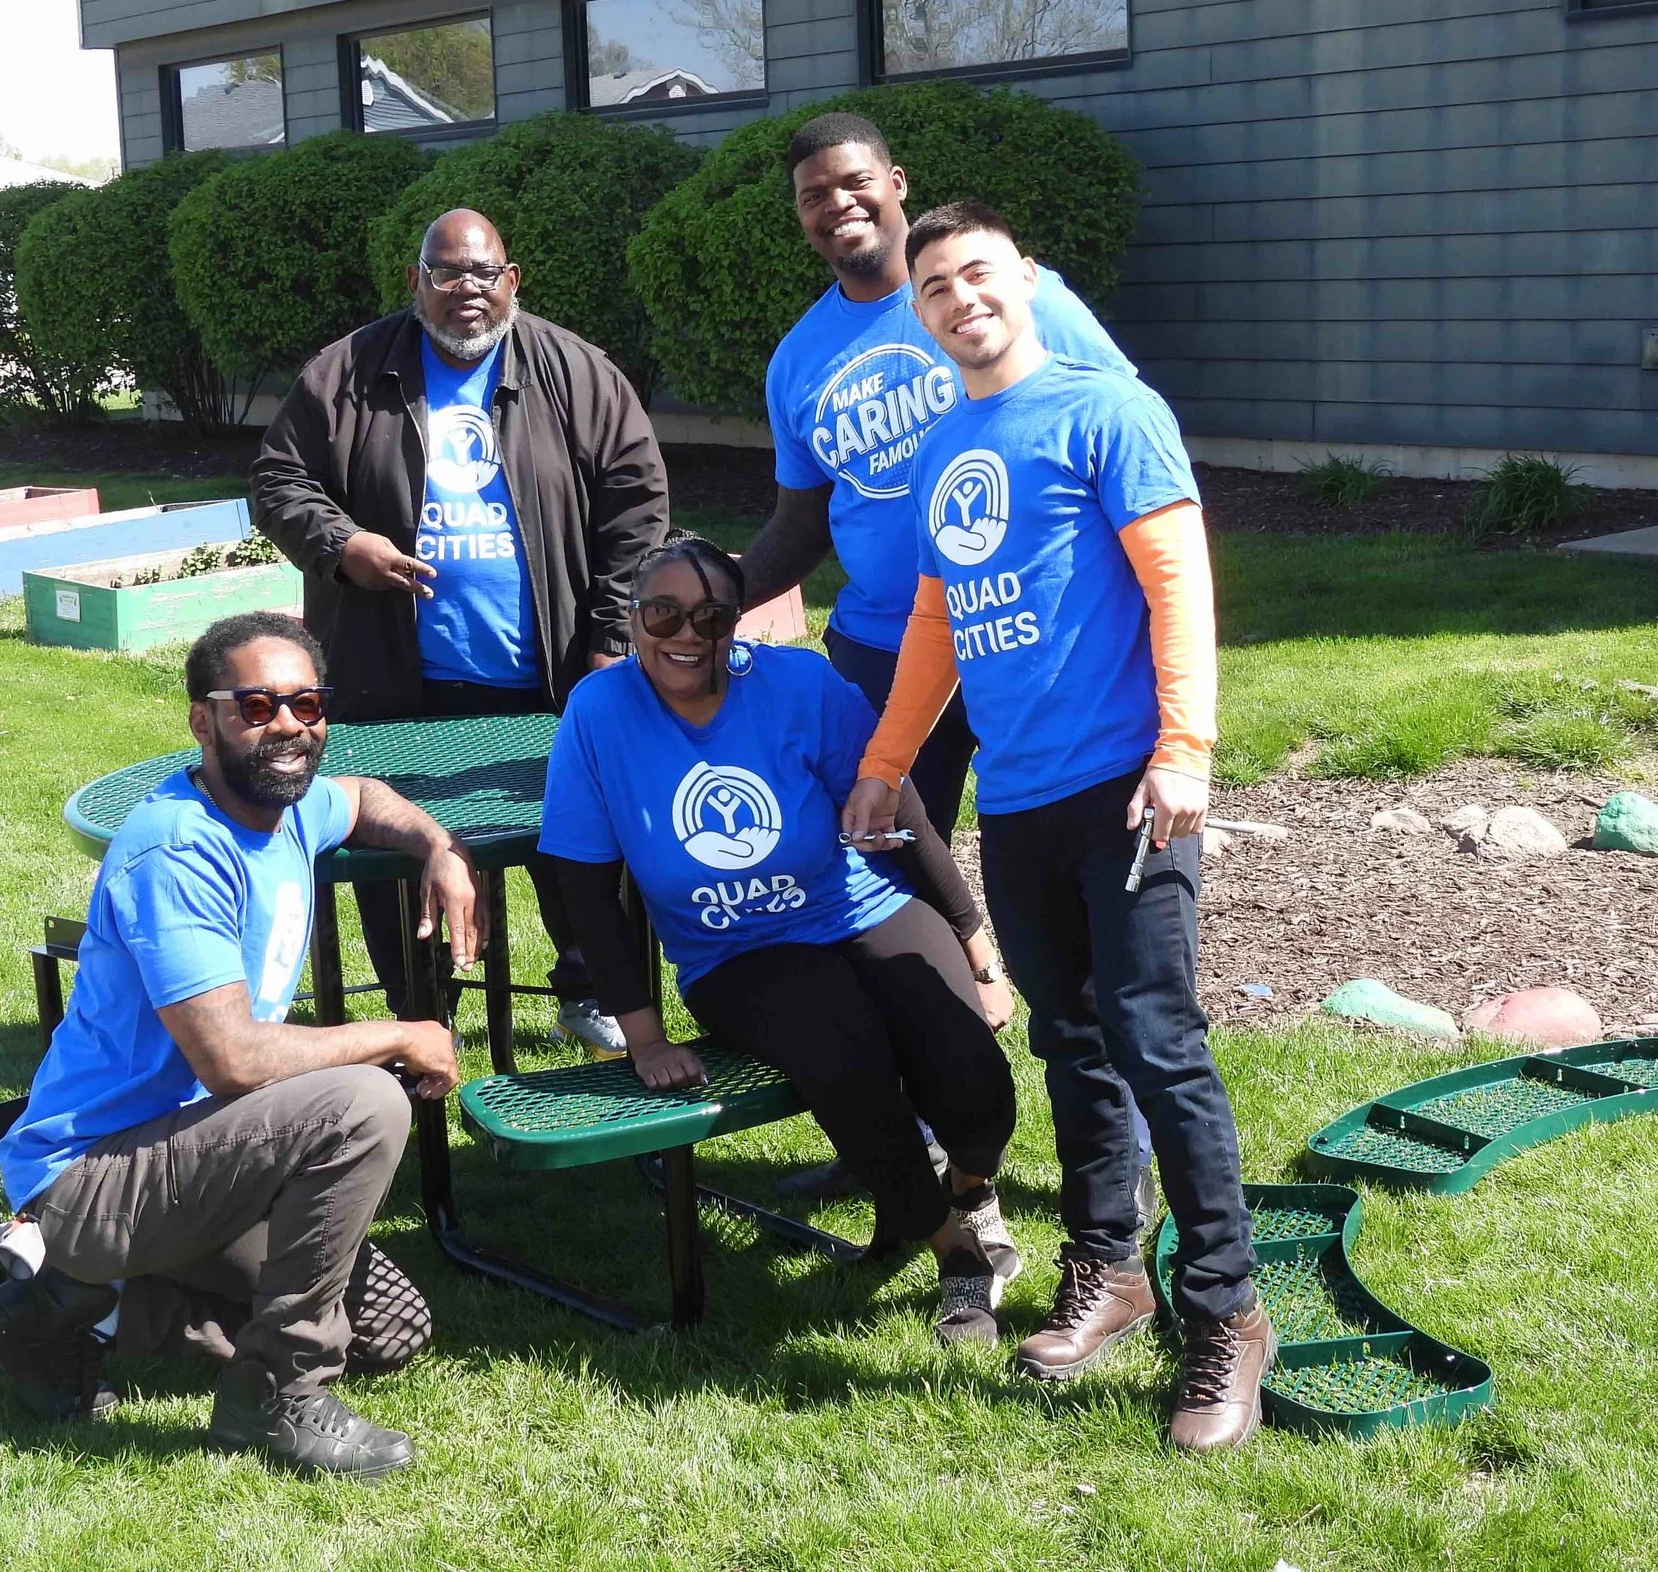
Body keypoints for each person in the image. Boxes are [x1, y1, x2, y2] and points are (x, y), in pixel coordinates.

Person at [841, 203, 1273, 1453]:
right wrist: (887, 763)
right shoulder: (946, 445)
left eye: (977, 274)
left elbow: (1177, 582)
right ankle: (1109, 1269)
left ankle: (1225, 1313)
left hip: (1127, 789)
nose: (959, 298)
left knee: (1156, 1041)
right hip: (1020, 799)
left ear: (1024, 281)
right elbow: (933, 619)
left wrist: (1185, 751)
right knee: (1069, 1040)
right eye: (934, 287)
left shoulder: (1108, 411)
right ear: (917, 314)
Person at [740, 110, 1150, 1204]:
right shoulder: (798, 360)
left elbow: (1122, 426)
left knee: (1082, 908)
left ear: (896, 183)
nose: (839, 206)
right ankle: (914, 1131)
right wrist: (708, 600)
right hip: (883, 651)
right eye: (814, 195)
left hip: (1032, 648)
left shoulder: (1005, 291)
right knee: (880, 898)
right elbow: (800, 520)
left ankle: (1119, 1162)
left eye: (855, 183)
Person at [0, 611, 478, 1478]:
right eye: (257, 704)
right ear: (203, 720)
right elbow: (234, 1060)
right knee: (363, 1100)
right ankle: (276, 1397)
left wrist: (438, 844)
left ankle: (67, 1312)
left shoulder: (285, 805)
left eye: (307, 704)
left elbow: (360, 797)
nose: (288, 725)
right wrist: (399, 1033)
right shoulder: (177, 847)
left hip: (205, 1157)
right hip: (85, 1175)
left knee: (394, 1328)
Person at [535, 533, 1024, 1344]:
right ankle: (954, 1250)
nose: (684, 633)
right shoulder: (599, 713)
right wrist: (643, 1035)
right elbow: (583, 883)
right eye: (662, 612)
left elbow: (899, 810)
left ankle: (970, 1187)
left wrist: (979, 947)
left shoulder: (798, 682)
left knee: (970, 1068)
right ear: (632, 618)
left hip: (856, 903)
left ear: (737, 623)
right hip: (738, 953)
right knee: (847, 1054)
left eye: (710, 614)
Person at [252, 208, 668, 1058]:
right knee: (398, 847)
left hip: (548, 678)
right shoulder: (350, 371)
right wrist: (344, 545)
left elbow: (637, 499)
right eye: (447, 274)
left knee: (580, 845)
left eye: (484, 273)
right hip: (393, 680)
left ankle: (594, 992)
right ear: (418, 283)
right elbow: (277, 479)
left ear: (511, 280)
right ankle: (415, 1018)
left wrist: (610, 635)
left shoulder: (576, 372)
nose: (466, 292)